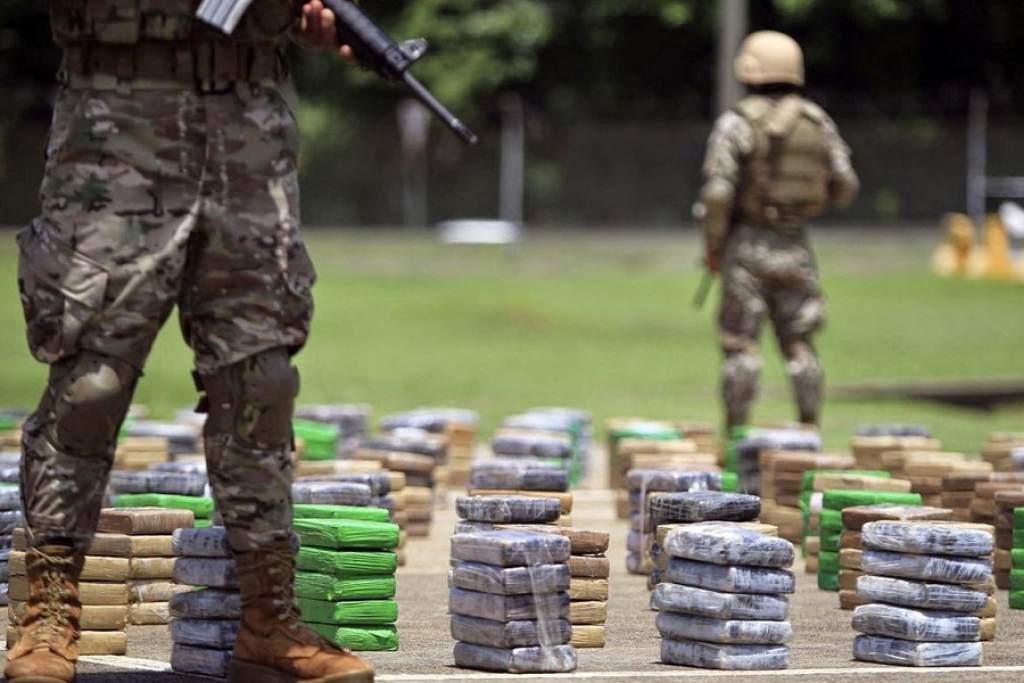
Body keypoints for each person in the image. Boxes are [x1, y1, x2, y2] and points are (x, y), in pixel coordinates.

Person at [6, 2, 374, 682]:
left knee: (261, 378)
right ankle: (48, 611)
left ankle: (269, 619)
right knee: (92, 380)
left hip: (246, 123)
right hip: (117, 120)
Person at [695, 30, 860, 433]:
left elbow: (718, 193)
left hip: (746, 248)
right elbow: (846, 186)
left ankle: (736, 435)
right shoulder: (817, 122)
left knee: (741, 345)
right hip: (796, 248)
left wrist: (714, 243)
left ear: (748, 72)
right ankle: (809, 430)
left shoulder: (736, 123)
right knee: (800, 343)